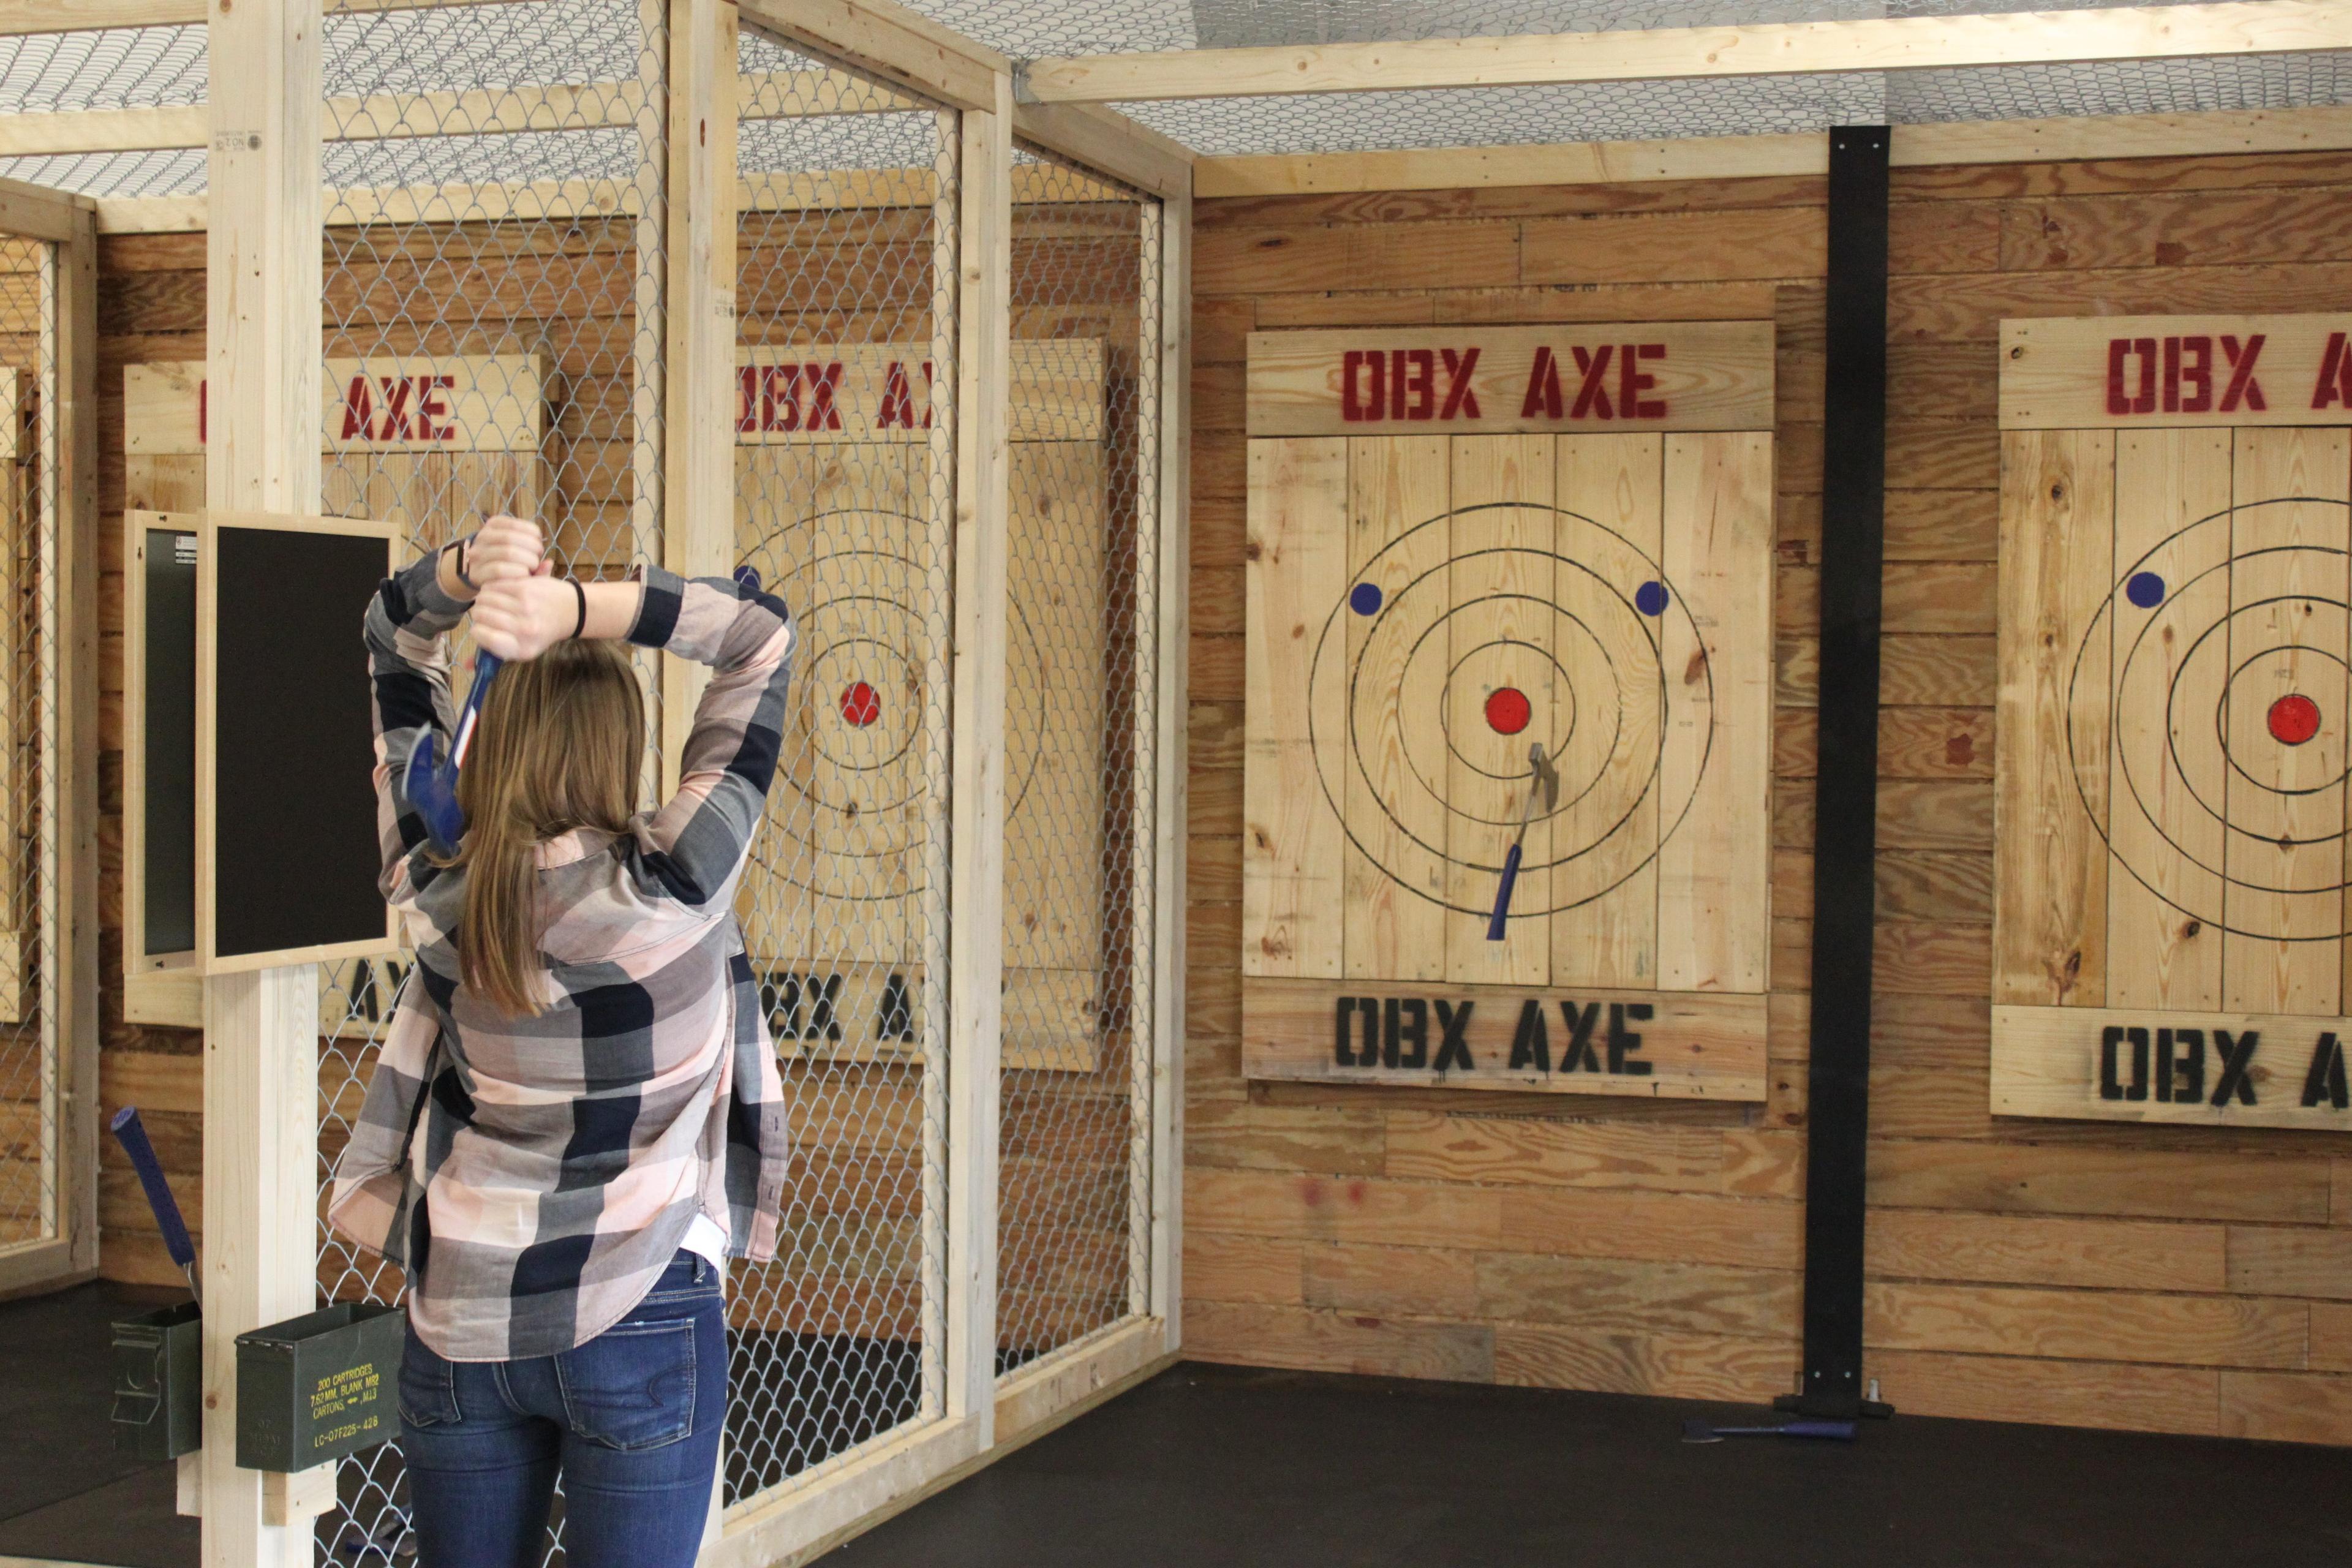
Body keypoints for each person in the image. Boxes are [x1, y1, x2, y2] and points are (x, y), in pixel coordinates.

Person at [328, 514, 796, 1568]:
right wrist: (581, 608)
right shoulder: (680, 883)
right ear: (616, 746)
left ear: (494, 737)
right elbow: (759, 638)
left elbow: (389, 638)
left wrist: (465, 574)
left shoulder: (435, 880)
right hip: (639, 1309)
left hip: (462, 1317)